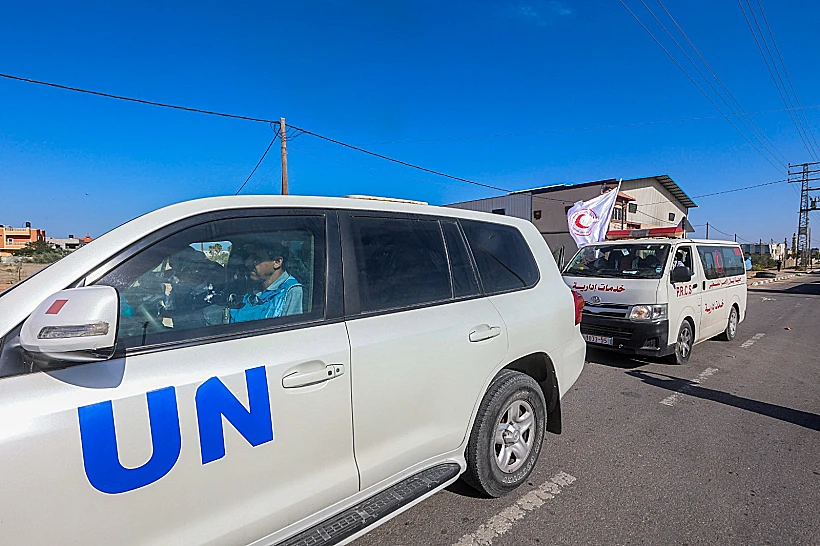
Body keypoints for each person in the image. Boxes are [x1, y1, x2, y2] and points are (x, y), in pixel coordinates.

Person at [230, 242, 303, 323]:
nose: (248, 263)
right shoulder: (251, 287)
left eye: (257, 259)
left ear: (277, 262)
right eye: (248, 257)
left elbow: (291, 331)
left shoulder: (291, 291)